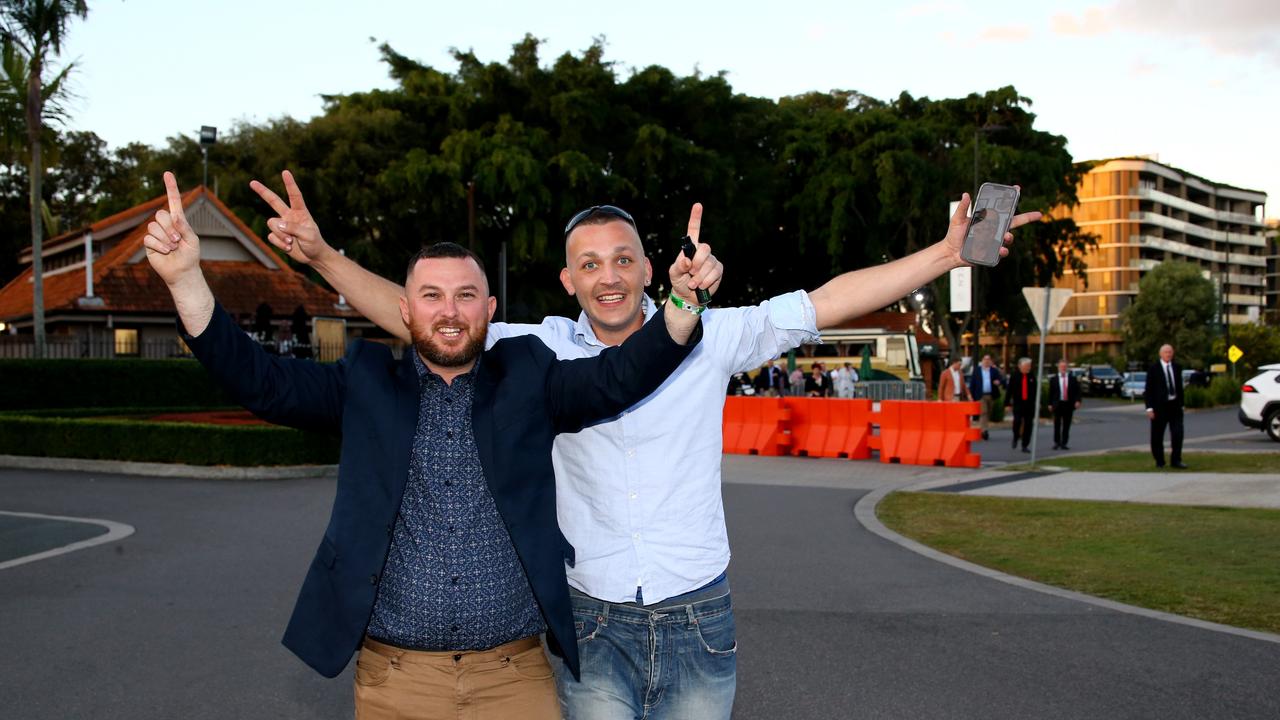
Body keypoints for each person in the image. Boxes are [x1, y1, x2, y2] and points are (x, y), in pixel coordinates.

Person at [249, 169, 1040, 719]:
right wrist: (320, 255)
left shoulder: (717, 335)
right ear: (568, 281)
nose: (610, 276)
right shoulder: (533, 349)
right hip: (591, 621)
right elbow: (416, 311)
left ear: (649, 266)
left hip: (700, 614)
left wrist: (943, 254)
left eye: (623, 259)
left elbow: (829, 300)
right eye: (589, 264)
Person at [142, 172, 708, 719]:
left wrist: (682, 304)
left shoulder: (532, 378)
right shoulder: (364, 386)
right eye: (431, 296)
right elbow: (260, 382)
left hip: (515, 681)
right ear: (406, 311)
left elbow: (621, 375)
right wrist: (185, 280)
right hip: (396, 682)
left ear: (489, 312)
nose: (450, 311)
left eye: (466, 296)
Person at [1144, 344, 1187, 469]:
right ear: (1161, 354)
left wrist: (1182, 404)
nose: (1168, 354)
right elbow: (1149, 389)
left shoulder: (1177, 367)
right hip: (1159, 407)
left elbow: (1180, 387)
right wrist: (1149, 408)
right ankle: (1160, 460)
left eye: (1170, 352)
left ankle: (1176, 460)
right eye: (1166, 352)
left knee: (1178, 434)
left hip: (1175, 405)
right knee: (1157, 436)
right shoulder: (1154, 369)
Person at [967, 354, 1005, 439]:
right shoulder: (977, 370)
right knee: (983, 412)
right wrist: (971, 396)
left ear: (990, 361)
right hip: (981, 395)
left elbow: (1001, 379)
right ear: (982, 361)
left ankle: (984, 427)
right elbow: (973, 383)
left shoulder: (994, 370)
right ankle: (984, 431)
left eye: (988, 359)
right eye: (985, 359)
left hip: (991, 395)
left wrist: (998, 382)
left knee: (988, 412)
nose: (987, 361)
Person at [1048, 358, 1082, 450]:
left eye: (1065, 366)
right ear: (1058, 367)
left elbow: (1077, 391)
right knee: (1057, 424)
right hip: (1057, 404)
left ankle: (1064, 443)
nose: (1063, 368)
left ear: (1067, 367)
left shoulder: (1072, 379)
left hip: (1068, 404)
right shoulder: (1053, 379)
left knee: (1066, 425)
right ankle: (1056, 442)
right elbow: (1051, 393)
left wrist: (1078, 401)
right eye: (1061, 366)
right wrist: (1050, 404)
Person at [1006, 357, 1036, 452]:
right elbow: (1009, 390)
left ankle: (1025, 445)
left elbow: (1036, 391)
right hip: (1018, 404)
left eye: (1029, 366)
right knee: (1017, 421)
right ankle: (1016, 436)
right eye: (1026, 366)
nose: (1028, 368)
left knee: (1028, 425)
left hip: (1029, 405)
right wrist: (1007, 404)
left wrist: (1037, 402)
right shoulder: (1014, 376)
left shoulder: (1031, 376)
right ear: (1020, 366)